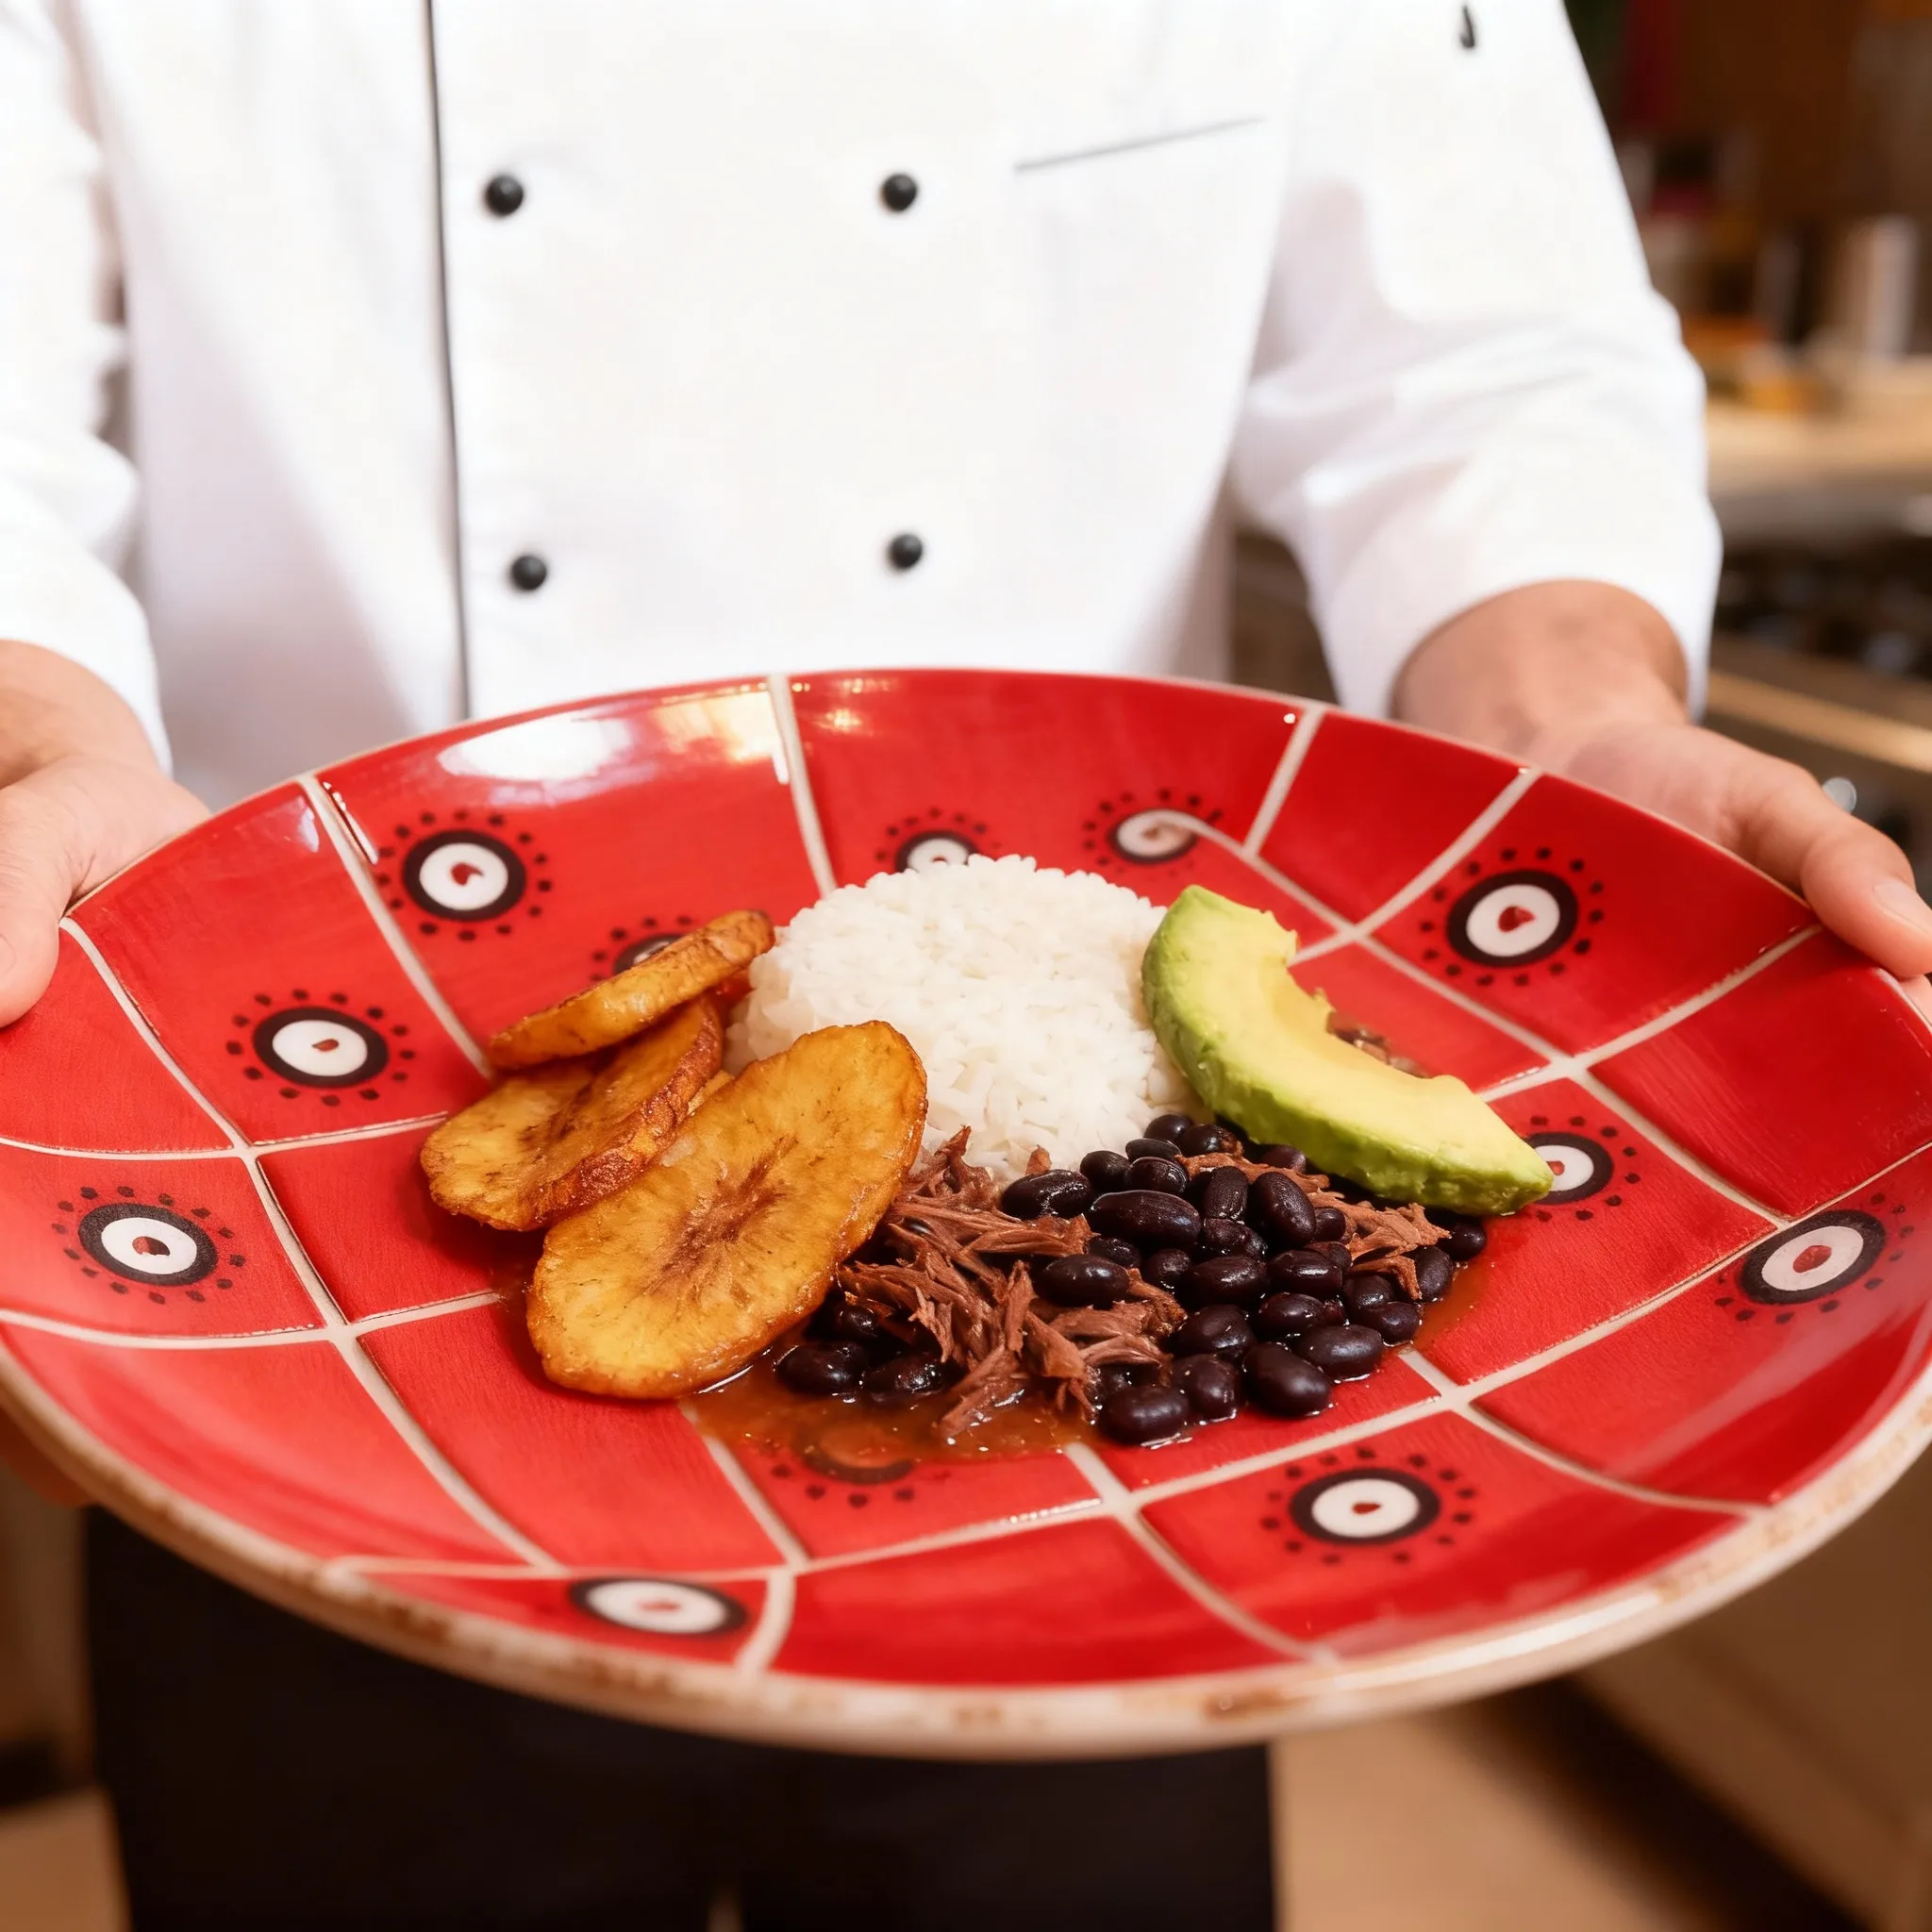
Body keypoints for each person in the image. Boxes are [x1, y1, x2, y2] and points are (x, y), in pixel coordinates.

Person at [3, 5, 1928, 1929]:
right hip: (329, 1255)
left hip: (1093, 1522)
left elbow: (1481, 366)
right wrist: (37, 755)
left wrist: (1571, 735)